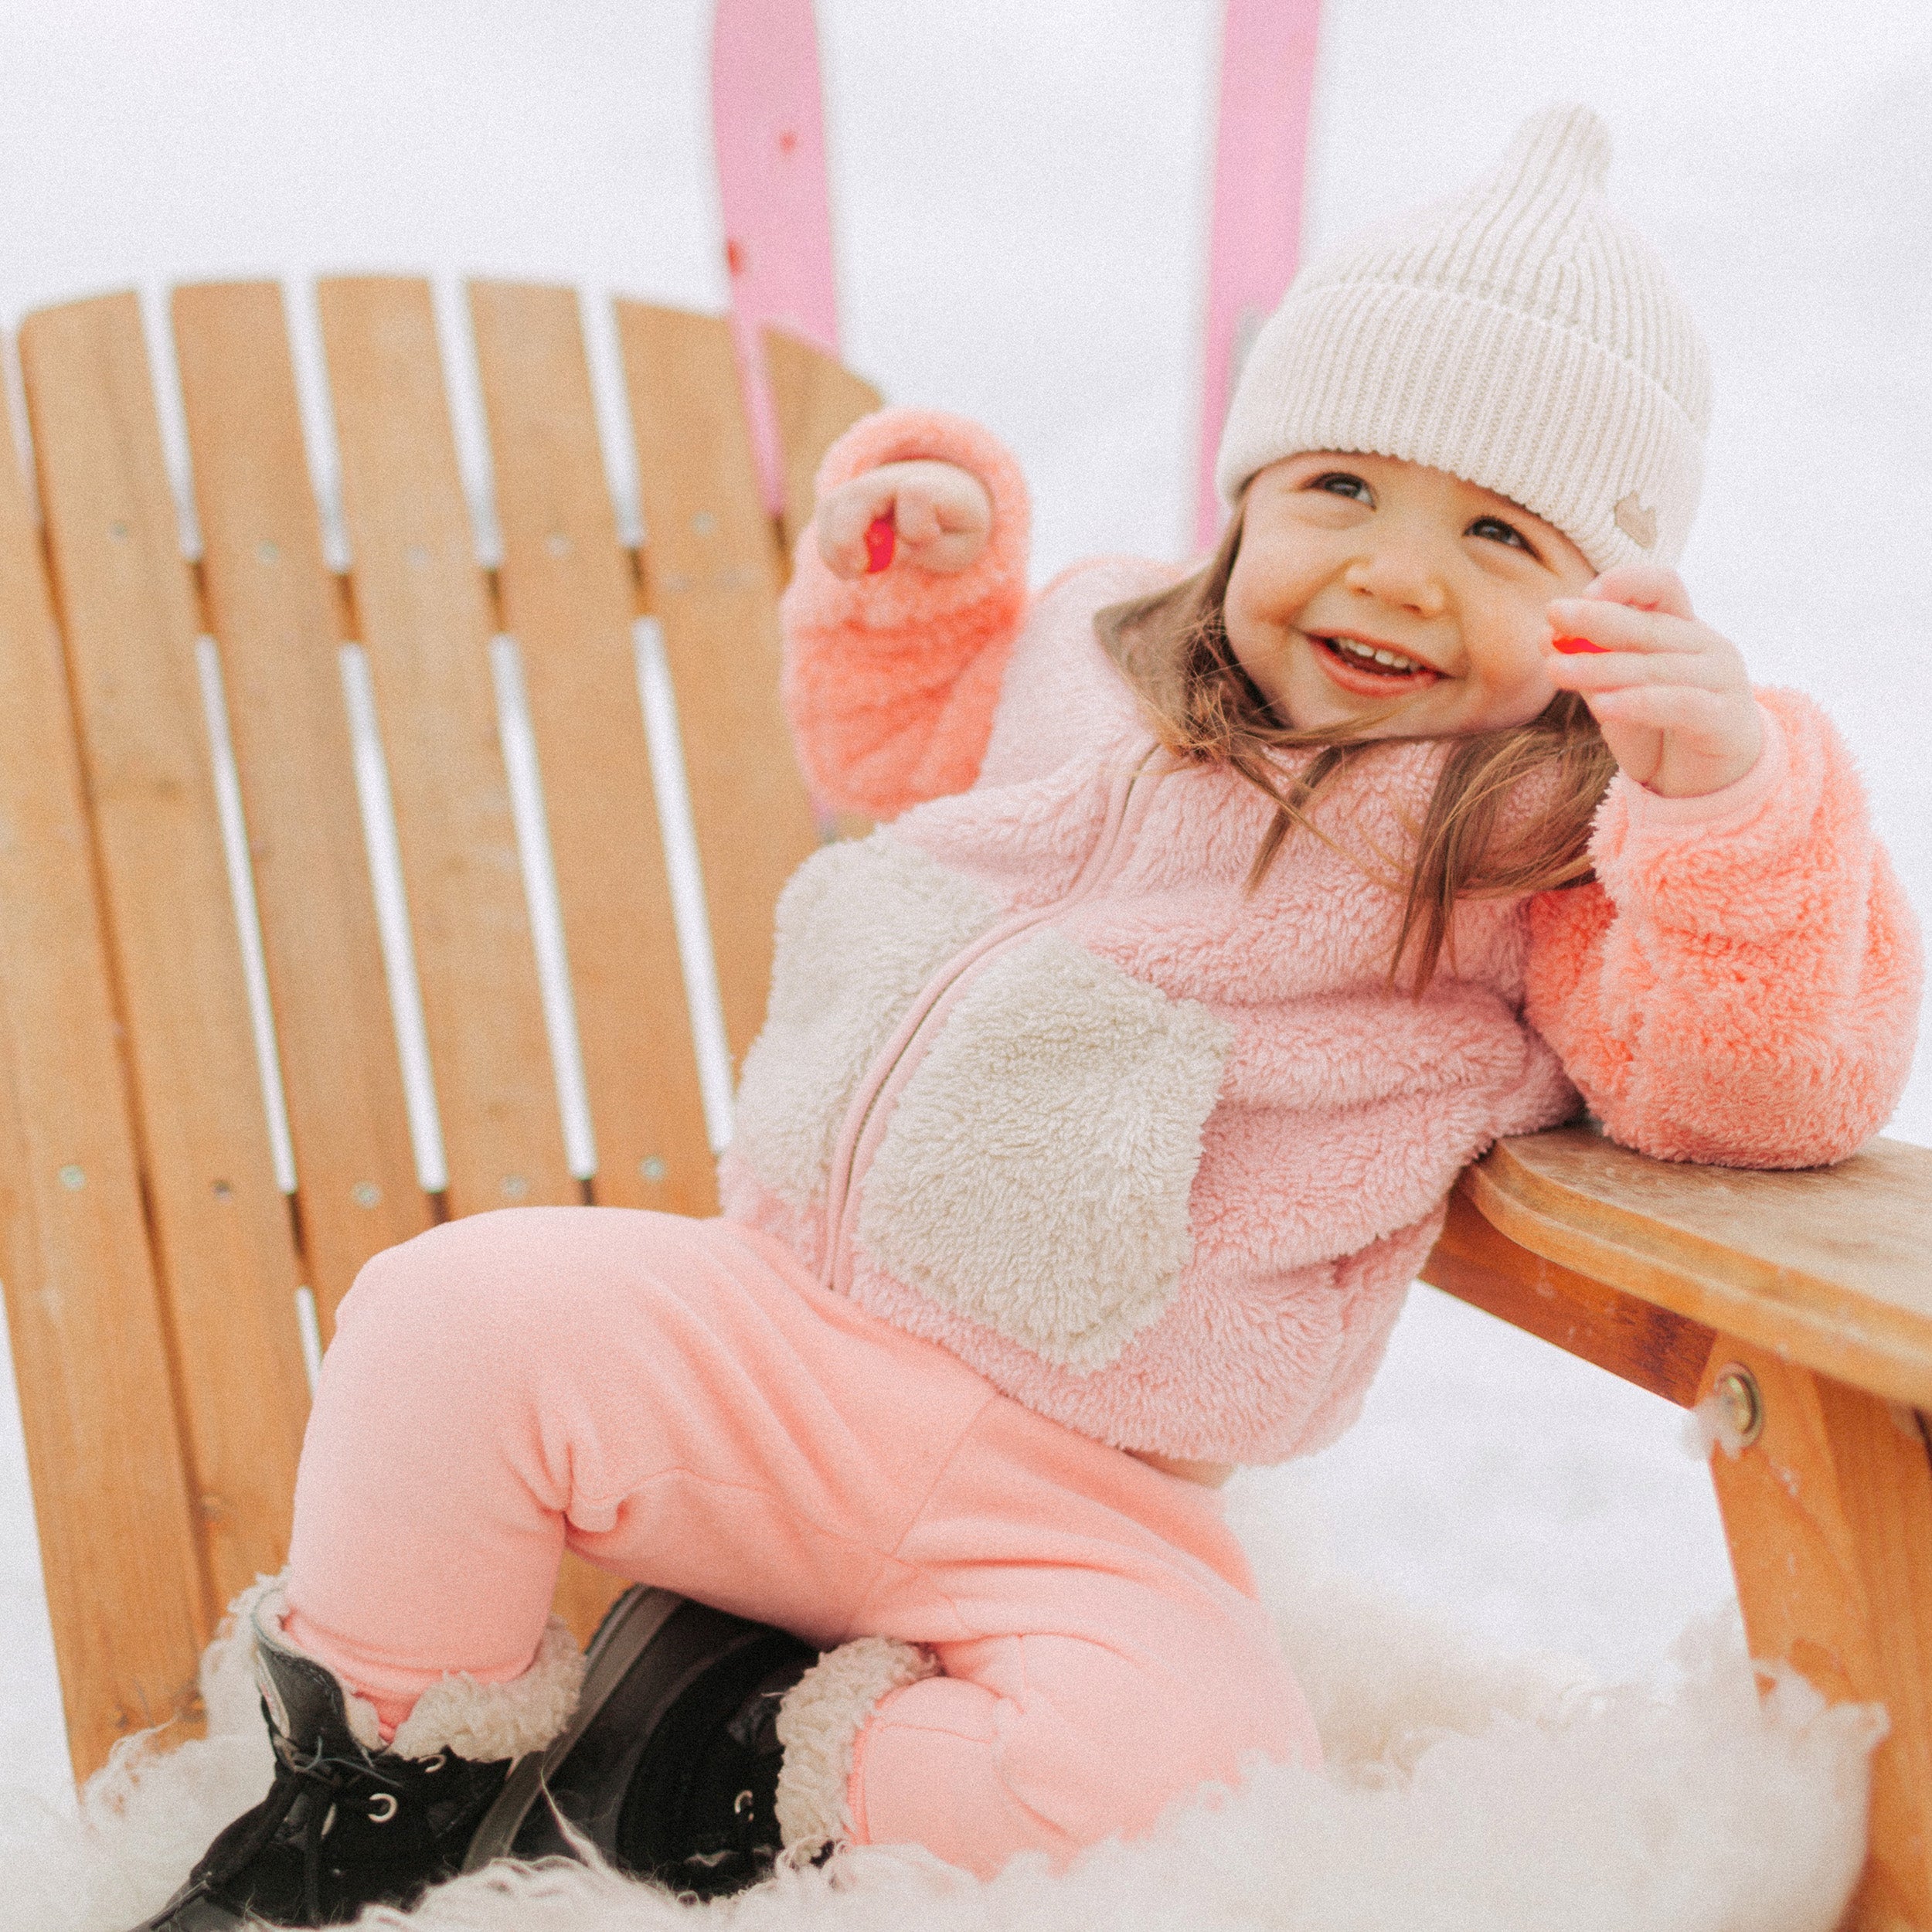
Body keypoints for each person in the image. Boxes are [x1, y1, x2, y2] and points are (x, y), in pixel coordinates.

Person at [135, 104, 1920, 1928]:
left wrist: (1715, 801)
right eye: (1339, 488)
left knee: (1189, 1788)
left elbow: (1749, 1089)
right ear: (1242, 492)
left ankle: (720, 1749)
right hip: (774, 1336)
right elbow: (887, 743)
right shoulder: (1092, 644)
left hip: (1082, 1488)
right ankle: (376, 1788)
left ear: (1598, 606)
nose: (1394, 566)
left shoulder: (1544, 832)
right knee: (448, 1313)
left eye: (1493, 529)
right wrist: (915, 578)